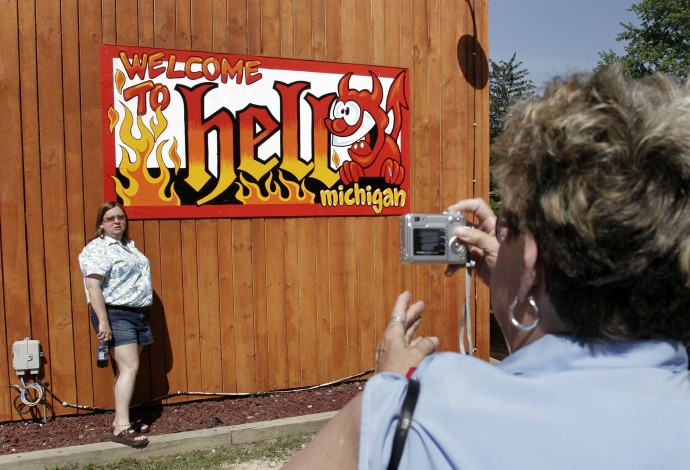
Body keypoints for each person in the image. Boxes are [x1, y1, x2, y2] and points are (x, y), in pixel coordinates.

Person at [282, 65, 690, 468]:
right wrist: (518, 286)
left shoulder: (419, 413)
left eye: (507, 226)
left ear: (531, 262)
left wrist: (388, 388)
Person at [78, 201, 154, 447]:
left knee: (127, 368)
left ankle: (121, 419)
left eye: (120, 217)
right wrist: (103, 321)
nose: (117, 221)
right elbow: (93, 286)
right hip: (115, 314)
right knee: (130, 367)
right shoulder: (98, 248)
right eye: (110, 218)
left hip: (137, 313)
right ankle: (122, 427)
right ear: (101, 223)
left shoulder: (128, 247)